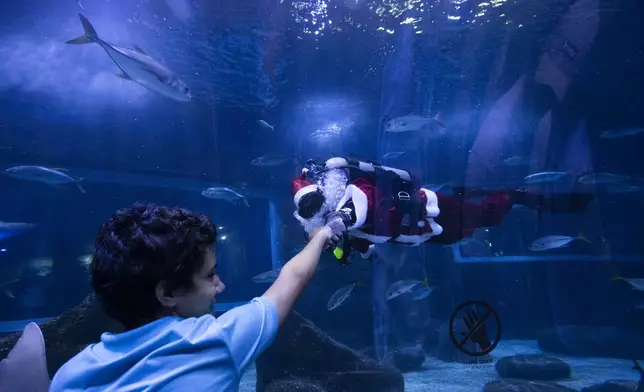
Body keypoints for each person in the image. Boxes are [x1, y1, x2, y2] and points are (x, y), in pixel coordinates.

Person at [49, 202, 347, 392]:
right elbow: (292, 277)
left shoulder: (71, 375)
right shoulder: (214, 342)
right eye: (209, 275)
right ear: (167, 293)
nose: (220, 286)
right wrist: (320, 235)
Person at [292, 156, 595, 259]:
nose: (316, 207)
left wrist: (334, 228)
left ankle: (515, 196)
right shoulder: (336, 223)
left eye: (315, 199)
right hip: (423, 233)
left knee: (484, 216)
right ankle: (494, 199)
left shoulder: (353, 193)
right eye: (308, 208)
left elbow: (354, 211)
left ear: (323, 190)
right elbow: (360, 241)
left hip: (430, 209)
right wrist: (359, 251)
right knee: (464, 231)